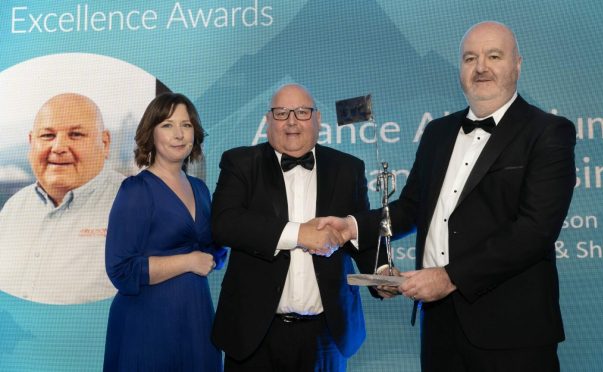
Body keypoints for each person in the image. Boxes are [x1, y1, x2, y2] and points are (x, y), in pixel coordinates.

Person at [320, 21, 576, 372]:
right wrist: (353, 227)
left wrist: (449, 276)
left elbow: (534, 231)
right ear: (460, 70)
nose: (481, 67)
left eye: (494, 56)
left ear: (517, 64)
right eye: (470, 58)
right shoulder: (438, 133)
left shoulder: (547, 132)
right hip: (439, 327)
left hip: (513, 333)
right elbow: (411, 207)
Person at [210, 84, 393, 372]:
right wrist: (298, 233)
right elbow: (224, 224)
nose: (292, 121)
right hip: (253, 334)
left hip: (326, 335)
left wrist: (382, 274)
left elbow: (362, 235)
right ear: (268, 121)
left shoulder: (347, 169)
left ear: (318, 120)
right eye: (281, 113)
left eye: (302, 112)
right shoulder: (241, 163)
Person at [103, 92, 226, 371]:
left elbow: (212, 251)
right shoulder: (136, 190)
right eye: (168, 125)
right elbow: (121, 270)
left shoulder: (200, 189)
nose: (179, 134)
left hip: (196, 318)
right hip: (147, 324)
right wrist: (188, 261)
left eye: (186, 125)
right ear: (152, 133)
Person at [0, 93, 123, 304]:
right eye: (47, 136)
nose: (58, 147)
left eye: (75, 134)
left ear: (105, 143)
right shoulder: (14, 208)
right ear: (31, 142)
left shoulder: (140, 204)